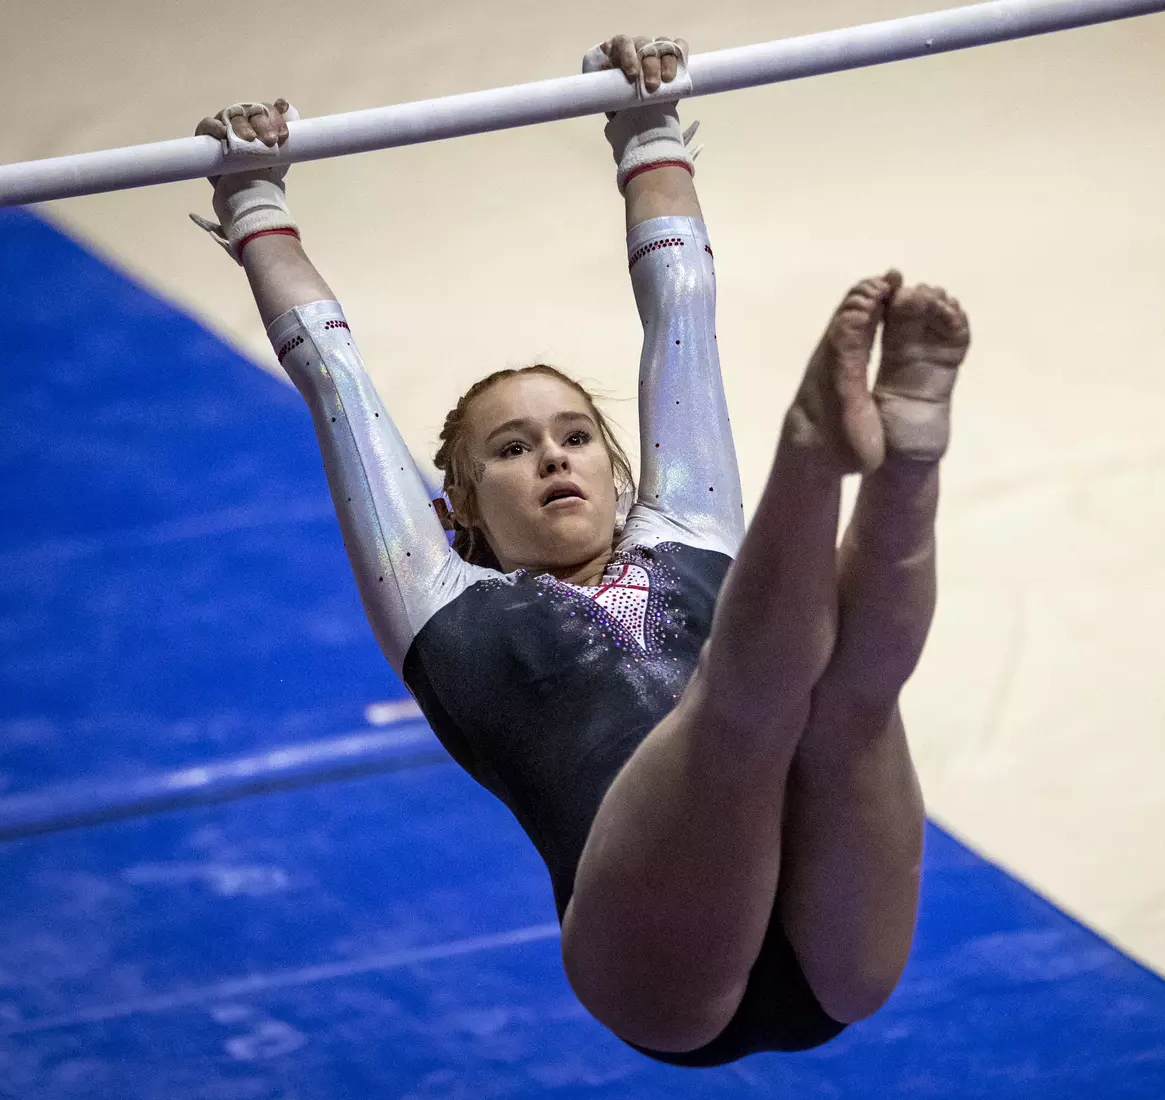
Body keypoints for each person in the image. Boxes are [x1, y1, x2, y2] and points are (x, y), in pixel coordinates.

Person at [191, 33, 969, 1066]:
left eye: (574, 435)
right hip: (655, 963)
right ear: (456, 507)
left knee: (856, 692)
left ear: (617, 464)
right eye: (511, 450)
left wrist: (644, 122)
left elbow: (680, 306)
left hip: (838, 927)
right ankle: (814, 453)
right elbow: (336, 381)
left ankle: (907, 453)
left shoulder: (685, 525)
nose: (554, 457)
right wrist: (252, 198)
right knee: (740, 708)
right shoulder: (436, 594)